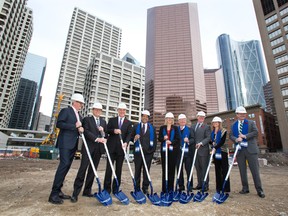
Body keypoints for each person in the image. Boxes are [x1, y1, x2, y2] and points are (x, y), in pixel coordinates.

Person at [48, 93, 85, 205]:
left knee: (67, 167)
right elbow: (59, 124)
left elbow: (79, 127)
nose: (81, 105)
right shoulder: (66, 111)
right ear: (75, 102)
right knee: (63, 166)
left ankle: (58, 191)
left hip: (73, 144)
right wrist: (75, 126)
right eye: (80, 103)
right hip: (65, 143)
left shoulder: (79, 115)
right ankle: (53, 194)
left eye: (82, 104)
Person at [71, 102, 107, 203]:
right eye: (96, 109)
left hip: (98, 150)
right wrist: (96, 139)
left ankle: (87, 190)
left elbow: (106, 135)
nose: (98, 111)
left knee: (92, 171)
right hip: (88, 148)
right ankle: (75, 193)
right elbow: (86, 131)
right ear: (93, 110)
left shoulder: (103, 122)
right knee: (83, 169)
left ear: (101, 111)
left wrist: (103, 132)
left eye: (99, 110)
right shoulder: (87, 119)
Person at [230, 106, 265, 198]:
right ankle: (245, 188)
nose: (242, 115)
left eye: (244, 114)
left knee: (255, 171)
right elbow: (231, 136)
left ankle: (259, 190)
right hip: (240, 151)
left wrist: (245, 136)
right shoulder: (233, 125)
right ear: (237, 114)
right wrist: (236, 139)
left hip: (251, 150)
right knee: (242, 170)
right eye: (240, 114)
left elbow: (255, 132)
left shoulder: (250, 123)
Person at [103, 102, 132, 194]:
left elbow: (129, 134)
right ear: (118, 110)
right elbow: (106, 130)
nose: (122, 111)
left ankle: (116, 189)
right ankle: (107, 189)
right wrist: (114, 130)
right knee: (109, 169)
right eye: (120, 109)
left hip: (121, 149)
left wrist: (126, 142)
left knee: (118, 169)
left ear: (125, 111)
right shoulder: (112, 120)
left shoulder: (129, 123)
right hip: (111, 148)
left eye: (124, 110)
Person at [130, 110, 157, 194]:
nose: (144, 118)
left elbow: (155, 141)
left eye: (146, 116)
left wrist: (152, 151)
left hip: (148, 153)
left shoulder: (152, 128)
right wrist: (134, 138)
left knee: (146, 171)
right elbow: (130, 137)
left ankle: (145, 187)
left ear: (148, 118)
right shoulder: (135, 126)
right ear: (141, 116)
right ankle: (137, 188)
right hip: (138, 153)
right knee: (137, 170)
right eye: (143, 116)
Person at [158, 112, 180, 193]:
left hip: (172, 151)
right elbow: (159, 138)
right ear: (165, 119)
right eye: (168, 118)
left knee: (171, 170)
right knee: (165, 169)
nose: (169, 120)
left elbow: (178, 139)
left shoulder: (175, 128)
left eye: (171, 118)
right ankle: (164, 188)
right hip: (164, 151)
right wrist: (163, 138)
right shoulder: (162, 128)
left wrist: (171, 142)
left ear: (173, 120)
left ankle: (170, 188)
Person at [191, 111, 211, 191]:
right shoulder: (192, 126)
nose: (202, 118)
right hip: (195, 151)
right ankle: (199, 184)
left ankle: (205, 185)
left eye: (203, 117)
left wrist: (201, 143)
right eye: (200, 116)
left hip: (203, 151)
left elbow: (208, 137)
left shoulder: (206, 127)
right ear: (197, 117)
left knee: (204, 168)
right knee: (198, 168)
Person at [210, 116, 230, 193]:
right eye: (214, 122)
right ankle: (219, 187)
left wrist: (215, 147)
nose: (215, 123)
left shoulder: (223, 131)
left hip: (222, 152)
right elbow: (211, 141)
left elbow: (222, 141)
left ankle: (226, 187)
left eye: (217, 122)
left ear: (219, 123)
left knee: (224, 170)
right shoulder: (212, 132)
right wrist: (212, 144)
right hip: (215, 153)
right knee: (217, 170)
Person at [177, 114, 194, 192]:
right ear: (178, 121)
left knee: (189, 169)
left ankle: (190, 185)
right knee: (179, 170)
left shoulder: (190, 129)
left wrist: (188, 141)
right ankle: (181, 186)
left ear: (186, 121)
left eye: (184, 119)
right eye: (181, 120)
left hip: (187, 153)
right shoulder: (176, 130)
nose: (182, 121)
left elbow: (193, 139)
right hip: (178, 153)